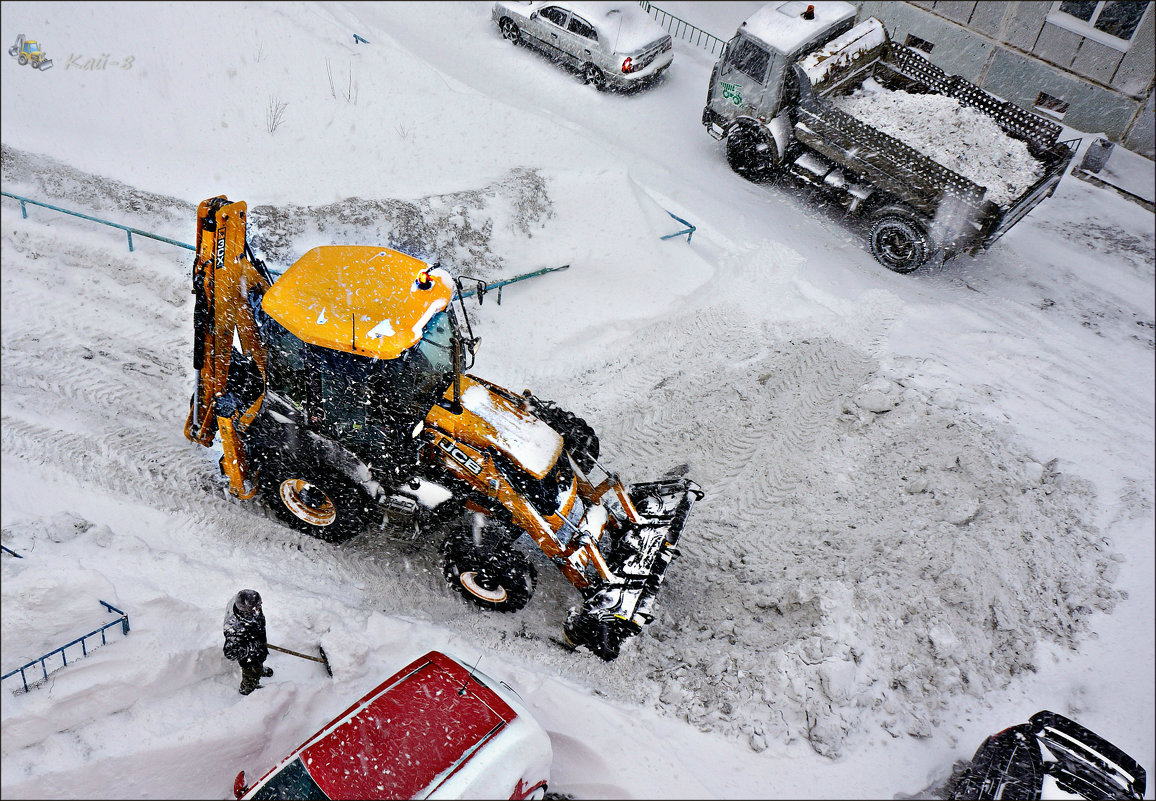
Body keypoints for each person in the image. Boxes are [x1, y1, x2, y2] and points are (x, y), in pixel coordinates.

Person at [223, 589, 273, 695]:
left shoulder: (248, 606)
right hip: (246, 648)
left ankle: (259, 668)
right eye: (255, 607)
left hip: (254, 632)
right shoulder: (234, 627)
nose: (258, 608)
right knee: (252, 662)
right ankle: (248, 687)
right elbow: (230, 653)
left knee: (260, 653)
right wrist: (248, 646)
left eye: (259, 605)